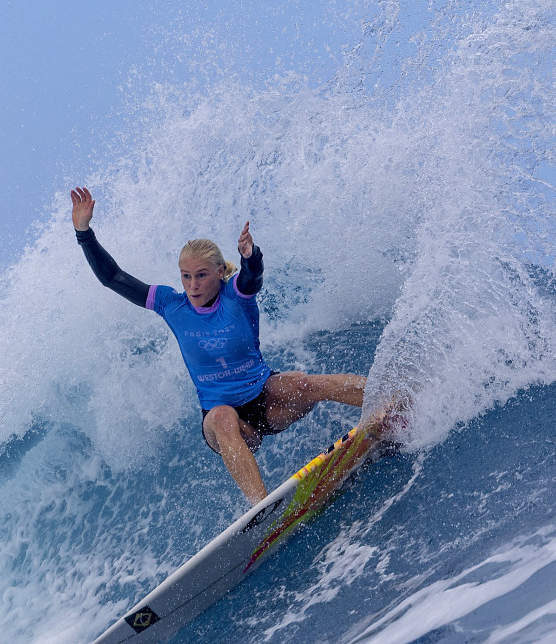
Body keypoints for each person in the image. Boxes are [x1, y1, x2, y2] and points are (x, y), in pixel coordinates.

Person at [70, 186, 366, 505]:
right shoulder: (171, 305)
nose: (193, 285)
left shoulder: (236, 296)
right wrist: (84, 233)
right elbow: (113, 277)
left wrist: (250, 256)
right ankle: (263, 509)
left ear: (220, 271)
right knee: (223, 416)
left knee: (304, 383)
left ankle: (388, 401)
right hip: (226, 423)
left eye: (201, 275)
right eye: (186, 276)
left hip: (267, 403)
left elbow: (253, 277)